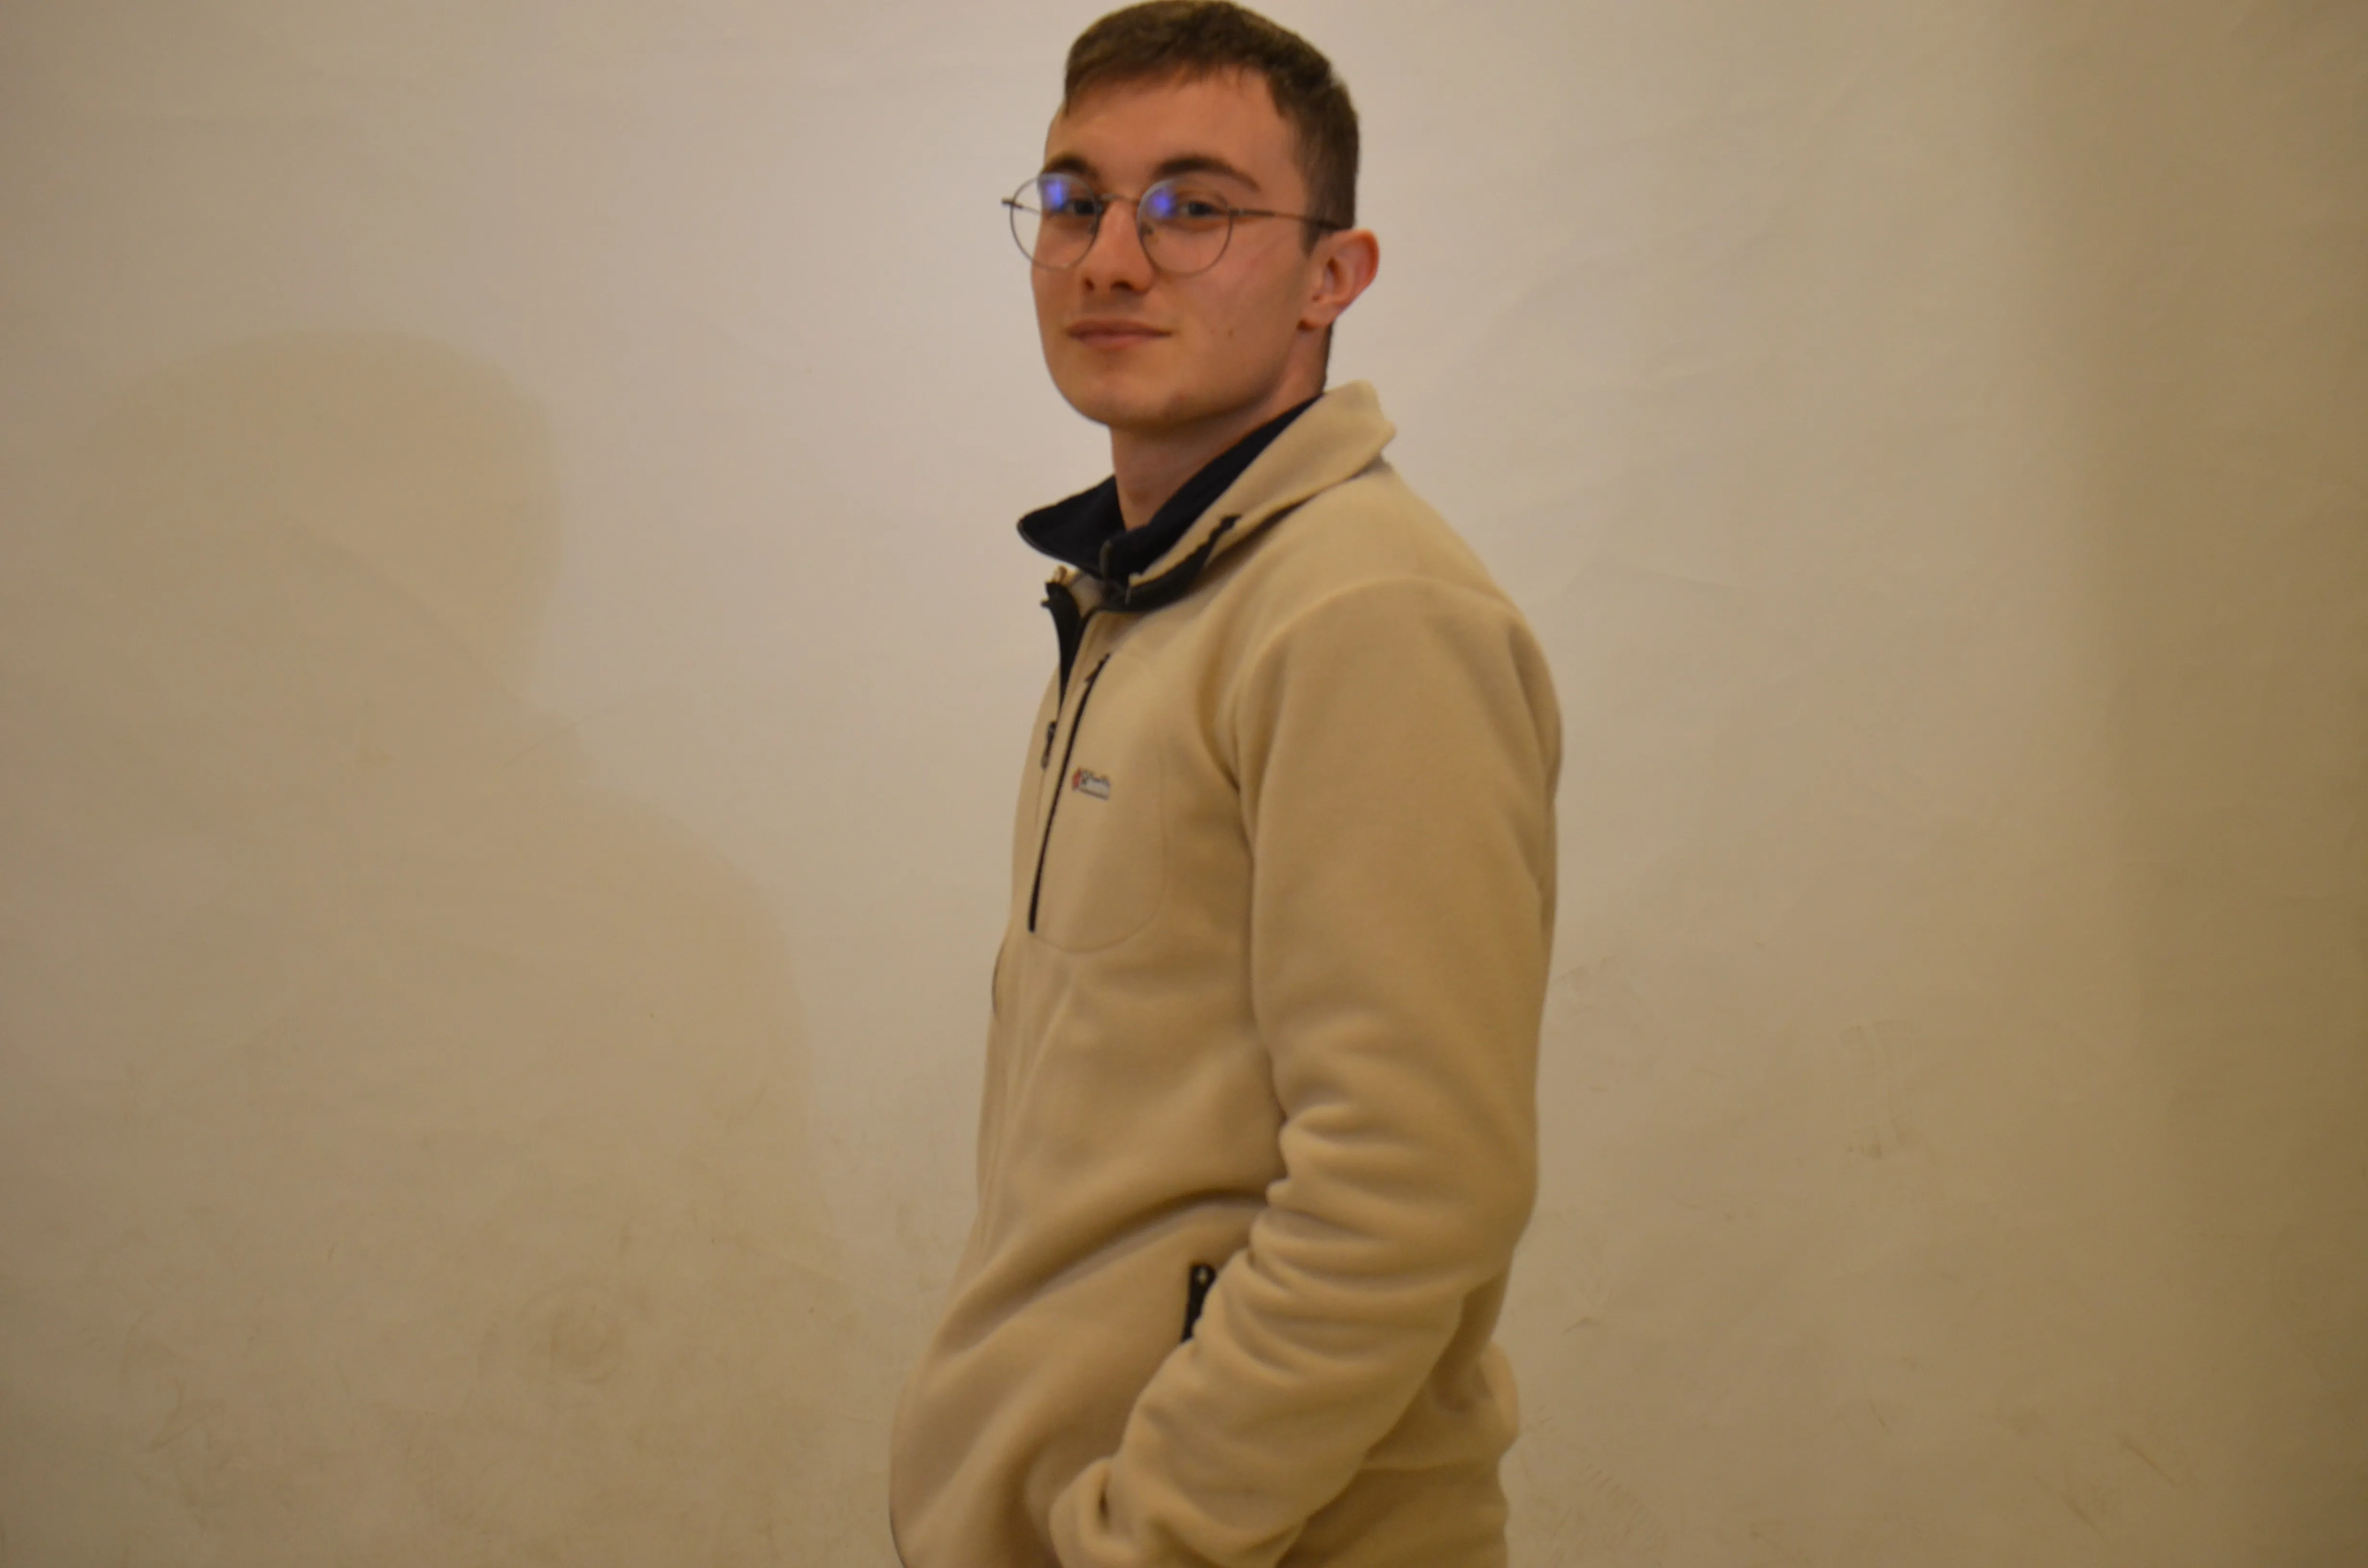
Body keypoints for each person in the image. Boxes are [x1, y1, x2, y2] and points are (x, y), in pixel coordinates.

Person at [888, 5, 1561, 1564]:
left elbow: (1410, 1190)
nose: (1113, 259)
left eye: (1196, 208)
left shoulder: (1366, 613)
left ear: (1334, 275)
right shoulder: (1155, 593)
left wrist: (1154, 1536)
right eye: (1076, 200)